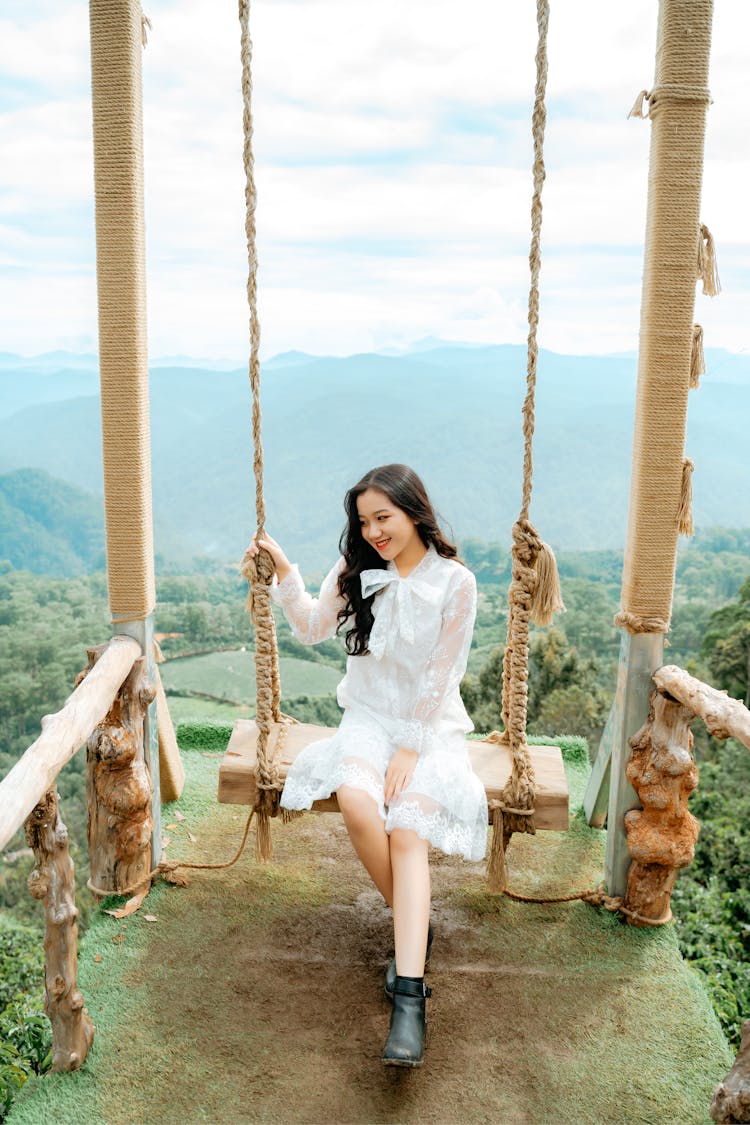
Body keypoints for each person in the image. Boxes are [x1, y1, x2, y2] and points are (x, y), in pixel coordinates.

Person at [245, 463, 488, 1067]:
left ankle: (410, 997)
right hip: (368, 721)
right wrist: (284, 575)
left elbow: (444, 673)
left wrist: (410, 747)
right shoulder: (355, 570)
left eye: (385, 517)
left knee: (407, 829)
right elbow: (310, 626)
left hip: (429, 730)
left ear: (414, 512)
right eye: (364, 521)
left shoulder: (456, 583)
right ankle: (415, 924)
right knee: (357, 800)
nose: (375, 531)